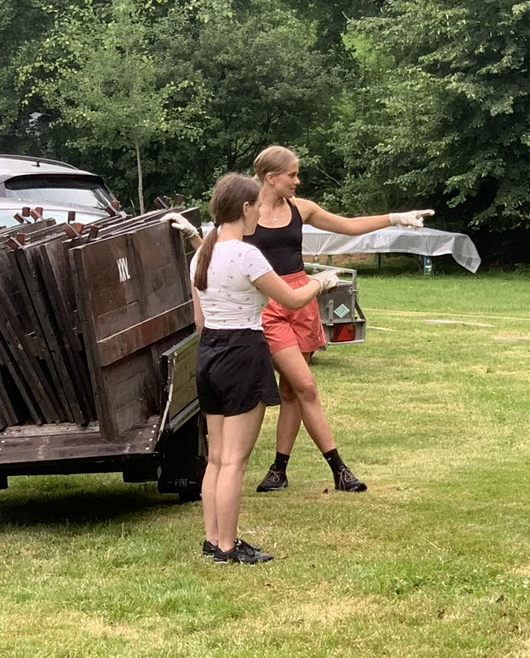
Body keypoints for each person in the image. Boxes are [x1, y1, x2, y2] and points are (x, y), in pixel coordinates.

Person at [244, 145, 434, 494]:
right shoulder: (246, 210)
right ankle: (339, 469)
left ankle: (278, 470)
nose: (297, 181)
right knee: (306, 386)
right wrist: (193, 238)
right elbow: (221, 246)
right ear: (271, 178)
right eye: (292, 175)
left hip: (302, 297)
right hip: (268, 304)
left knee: (291, 391)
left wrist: (395, 218)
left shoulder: (301, 208)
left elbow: (348, 227)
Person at [180, 173, 339, 564]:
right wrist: (321, 282)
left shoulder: (201, 255)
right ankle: (228, 546)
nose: (259, 214)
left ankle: (213, 540)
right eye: (256, 207)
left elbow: (199, 323)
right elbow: (292, 299)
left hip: (209, 354)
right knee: (235, 461)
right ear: (245, 208)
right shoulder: (246, 255)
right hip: (242, 353)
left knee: (217, 458)